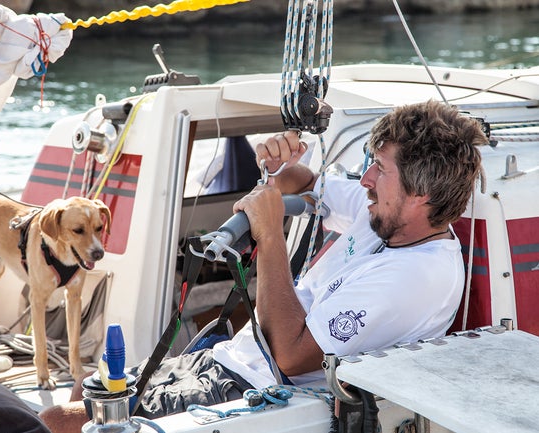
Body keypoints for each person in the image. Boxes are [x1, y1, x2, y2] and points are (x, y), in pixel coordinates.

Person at [39, 99, 487, 431]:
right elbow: (309, 183)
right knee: (88, 390)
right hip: (229, 360)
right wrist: (279, 170)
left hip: (259, 388)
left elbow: (290, 355)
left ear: (421, 193)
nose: (365, 179)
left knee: (59, 420)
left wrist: (270, 235)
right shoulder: (388, 216)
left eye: (380, 170)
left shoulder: (417, 278)